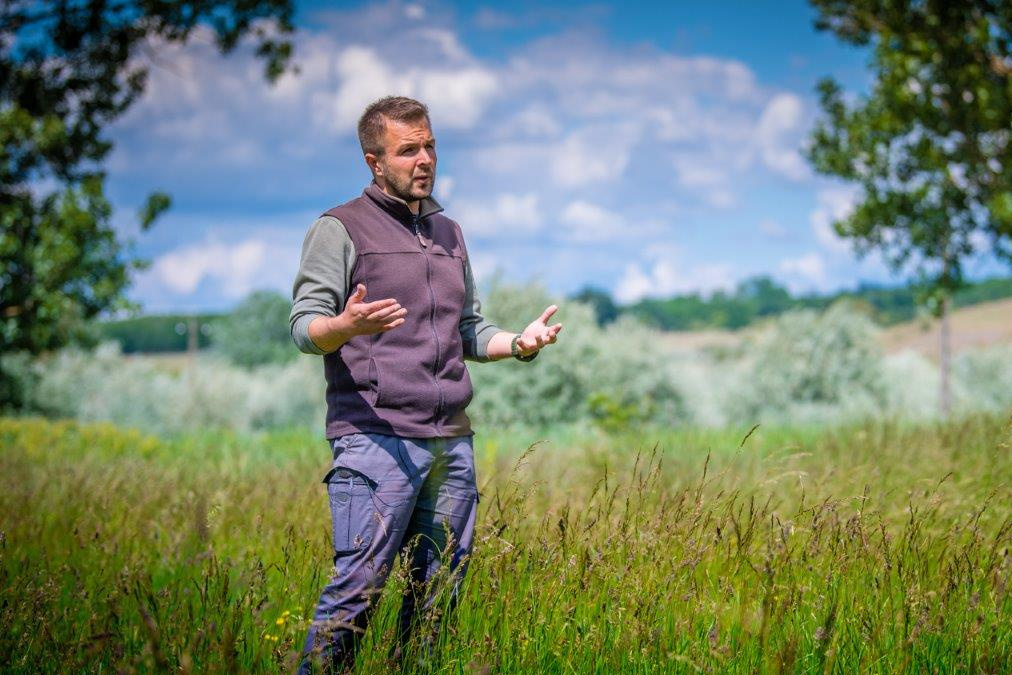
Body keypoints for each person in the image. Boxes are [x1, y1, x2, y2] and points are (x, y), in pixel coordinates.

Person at [289, 95, 562, 673]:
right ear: (373, 161)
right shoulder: (339, 228)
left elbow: (468, 329)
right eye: (407, 149)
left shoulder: (449, 231)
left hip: (450, 445)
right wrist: (345, 325)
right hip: (375, 440)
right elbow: (304, 327)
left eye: (430, 145)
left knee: (437, 601)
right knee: (357, 594)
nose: (424, 159)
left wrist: (516, 343)